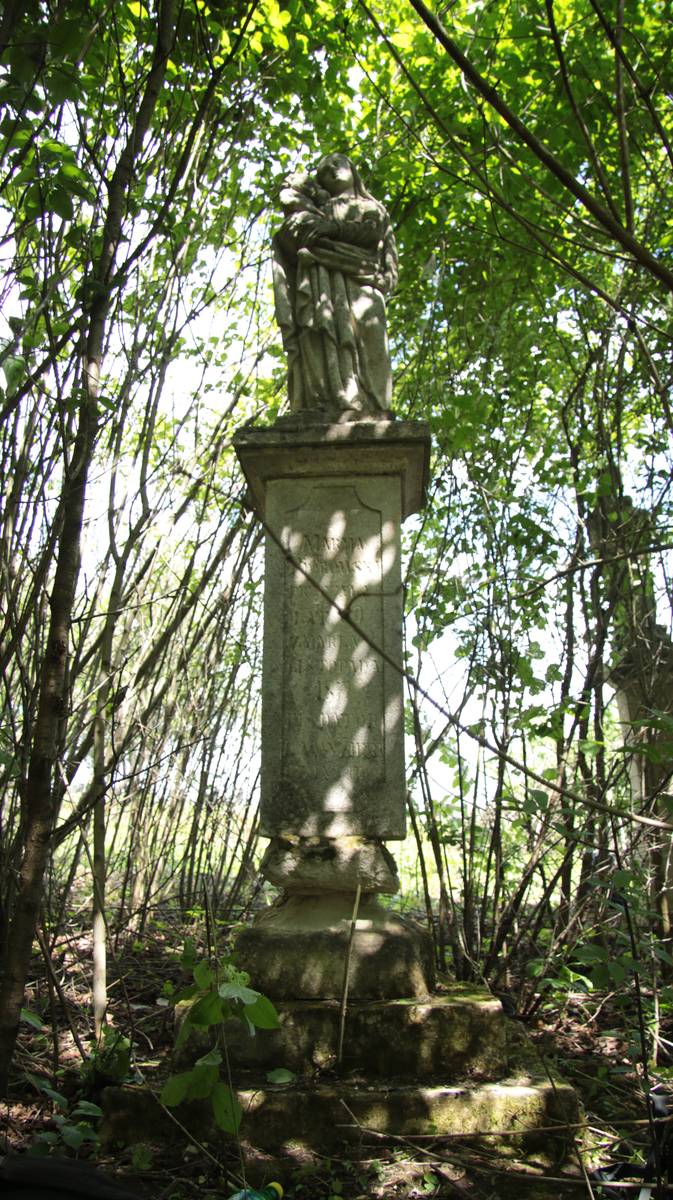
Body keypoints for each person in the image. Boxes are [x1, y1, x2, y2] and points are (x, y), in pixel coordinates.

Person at [272, 153, 398, 415]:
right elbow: (292, 238)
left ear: (352, 168)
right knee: (320, 332)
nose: (330, 170)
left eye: (335, 163)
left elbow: (374, 235)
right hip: (325, 288)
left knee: (372, 341)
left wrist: (334, 230)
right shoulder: (319, 211)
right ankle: (330, 399)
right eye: (323, 171)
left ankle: (376, 408)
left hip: (364, 283)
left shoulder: (371, 207)